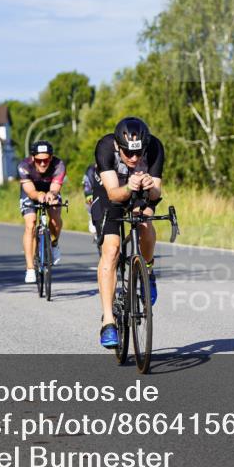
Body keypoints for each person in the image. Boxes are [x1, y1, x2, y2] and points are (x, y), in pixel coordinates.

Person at [93, 117, 164, 348]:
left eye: (138, 153)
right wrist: (129, 186)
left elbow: (155, 195)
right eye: (128, 154)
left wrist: (149, 185)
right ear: (118, 146)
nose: (134, 159)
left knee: (145, 223)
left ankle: (148, 271)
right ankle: (109, 322)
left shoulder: (154, 147)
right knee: (112, 250)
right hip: (110, 193)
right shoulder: (105, 147)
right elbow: (113, 194)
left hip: (139, 191)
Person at [17, 141, 66, 284]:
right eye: (39, 160)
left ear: (51, 157)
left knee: (55, 215)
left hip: (50, 190)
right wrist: (39, 196)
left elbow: (56, 187)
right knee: (30, 223)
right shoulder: (24, 166)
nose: (43, 164)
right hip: (31, 192)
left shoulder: (58, 165)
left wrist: (51, 194)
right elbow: (31, 191)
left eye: (46, 160)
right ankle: (30, 268)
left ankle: (54, 243)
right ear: (33, 158)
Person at [82, 163, 100, 235]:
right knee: (90, 199)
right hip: (91, 189)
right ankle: (91, 215)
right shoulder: (91, 170)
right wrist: (89, 195)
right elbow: (87, 187)